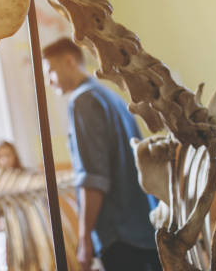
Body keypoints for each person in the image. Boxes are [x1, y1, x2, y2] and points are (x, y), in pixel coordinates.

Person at [42, 37, 160, 271]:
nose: (49, 81)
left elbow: (94, 177)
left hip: (120, 236)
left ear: (69, 61)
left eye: (51, 71)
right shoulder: (110, 96)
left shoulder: (83, 101)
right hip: (145, 226)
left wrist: (85, 238)